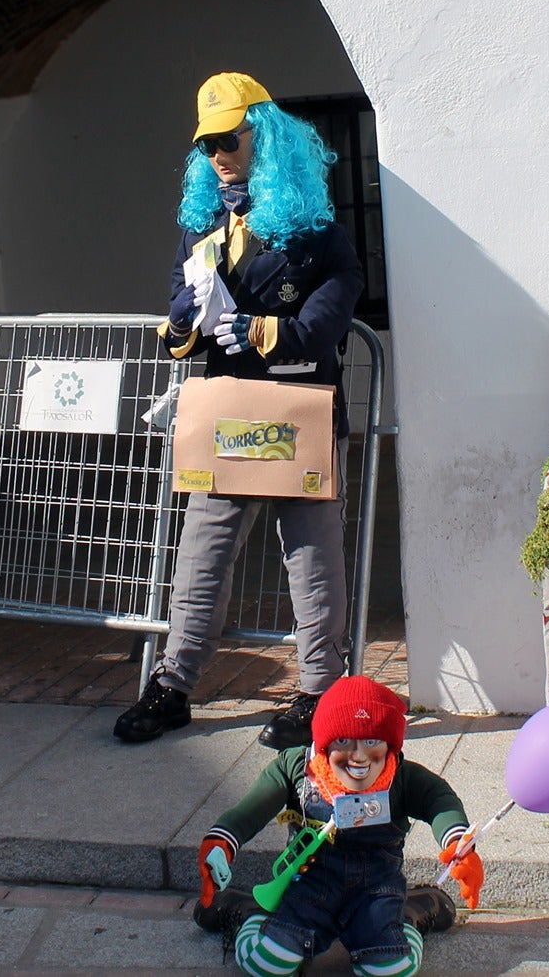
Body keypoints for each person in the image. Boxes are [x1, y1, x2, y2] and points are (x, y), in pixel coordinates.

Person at [114, 72, 364, 749]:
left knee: (312, 558)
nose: (219, 152)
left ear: (265, 135)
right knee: (201, 553)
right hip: (227, 414)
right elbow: (176, 315)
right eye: (208, 143)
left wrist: (256, 328)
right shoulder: (203, 228)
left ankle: (320, 692)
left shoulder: (318, 235)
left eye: (230, 137)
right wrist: (185, 323)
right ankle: (173, 685)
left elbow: (325, 319)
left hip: (297, 410)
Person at [193, 676, 481, 977]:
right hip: (309, 889)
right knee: (265, 963)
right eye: (343, 741)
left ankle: (410, 912)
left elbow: (440, 800)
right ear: (324, 743)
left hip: (376, 893)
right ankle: (250, 912)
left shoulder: (402, 777)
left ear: (390, 746)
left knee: (392, 969)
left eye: (371, 741)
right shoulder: (296, 768)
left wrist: (458, 843)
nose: (358, 756)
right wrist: (221, 843)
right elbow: (251, 810)